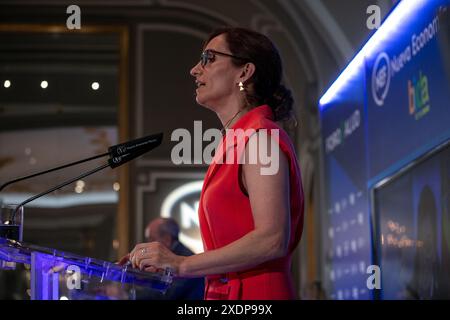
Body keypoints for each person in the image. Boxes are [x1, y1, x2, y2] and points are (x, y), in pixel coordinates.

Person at [125, 27, 304, 300]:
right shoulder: (237, 140)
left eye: (208, 58)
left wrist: (180, 263)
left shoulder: (261, 137)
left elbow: (272, 239)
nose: (194, 70)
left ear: (244, 72)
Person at [135, 217, 204, 300]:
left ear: (167, 239)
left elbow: (166, 294)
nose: (148, 244)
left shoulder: (187, 259)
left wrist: (128, 294)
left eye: (151, 239)